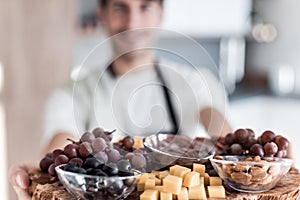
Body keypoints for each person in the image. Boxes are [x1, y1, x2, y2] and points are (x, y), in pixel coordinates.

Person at [9, 0, 233, 199]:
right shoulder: (75, 93)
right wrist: (47, 175)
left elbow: (224, 136)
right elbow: (62, 141)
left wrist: (242, 164)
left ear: (161, 13)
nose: (132, 22)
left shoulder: (194, 82)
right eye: (120, 7)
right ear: (102, 13)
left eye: (144, 7)